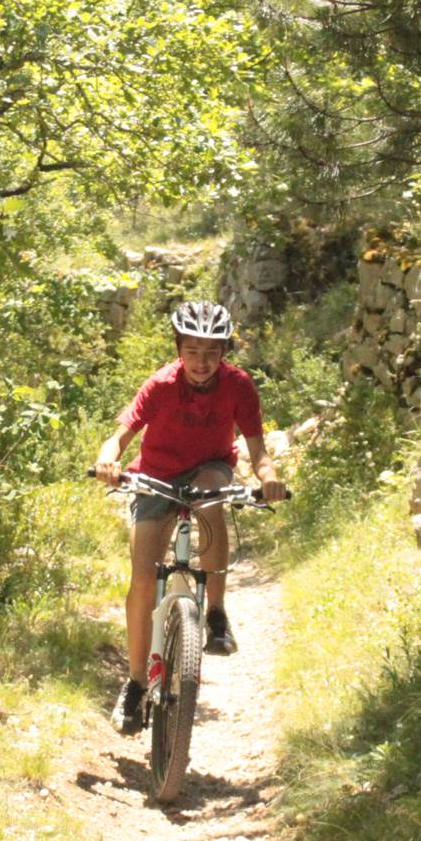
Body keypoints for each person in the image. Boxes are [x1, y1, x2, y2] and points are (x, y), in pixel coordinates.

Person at [93, 300, 287, 734]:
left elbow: (258, 449)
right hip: (156, 476)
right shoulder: (161, 384)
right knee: (143, 578)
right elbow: (121, 435)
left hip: (210, 467)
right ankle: (137, 684)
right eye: (193, 351)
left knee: (211, 497)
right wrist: (108, 459)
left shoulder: (238, 386)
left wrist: (269, 478)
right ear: (179, 350)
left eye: (212, 353)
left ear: (224, 353)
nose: (202, 362)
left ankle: (216, 613)